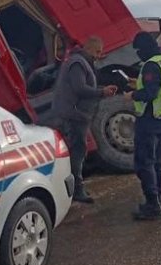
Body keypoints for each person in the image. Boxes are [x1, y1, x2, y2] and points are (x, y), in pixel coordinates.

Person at [50, 36, 117, 203]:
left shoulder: (78, 61)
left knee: (76, 150)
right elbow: (79, 88)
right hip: (74, 115)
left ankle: (72, 188)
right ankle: (76, 190)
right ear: (90, 49)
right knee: (77, 152)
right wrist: (102, 92)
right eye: (98, 51)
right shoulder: (78, 63)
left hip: (75, 114)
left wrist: (101, 90)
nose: (99, 55)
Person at [126, 32, 161, 221]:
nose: (138, 54)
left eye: (138, 50)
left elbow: (151, 92)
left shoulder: (152, 64)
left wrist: (132, 95)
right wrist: (137, 84)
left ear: (144, 48)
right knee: (157, 163)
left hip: (150, 119)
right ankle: (157, 200)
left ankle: (152, 204)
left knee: (144, 163)